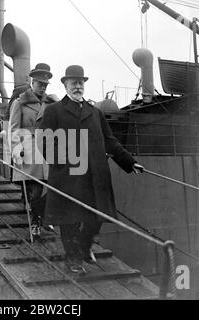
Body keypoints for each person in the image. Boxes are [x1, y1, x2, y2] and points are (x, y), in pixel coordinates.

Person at [38, 65, 144, 273]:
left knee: (95, 218)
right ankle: (73, 260)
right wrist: (63, 162)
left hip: (95, 175)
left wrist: (129, 162)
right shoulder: (54, 111)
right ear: (65, 85)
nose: (77, 86)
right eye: (73, 83)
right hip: (68, 175)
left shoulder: (95, 112)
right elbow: (45, 142)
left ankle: (84, 247)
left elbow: (109, 140)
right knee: (69, 221)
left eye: (80, 83)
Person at [9, 63, 58, 238]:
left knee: (53, 187)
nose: (43, 87)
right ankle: (36, 222)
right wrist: (17, 148)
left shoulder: (51, 103)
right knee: (36, 189)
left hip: (48, 149)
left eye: (45, 85)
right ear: (32, 82)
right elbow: (14, 129)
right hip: (29, 150)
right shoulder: (20, 102)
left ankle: (40, 215)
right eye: (40, 83)